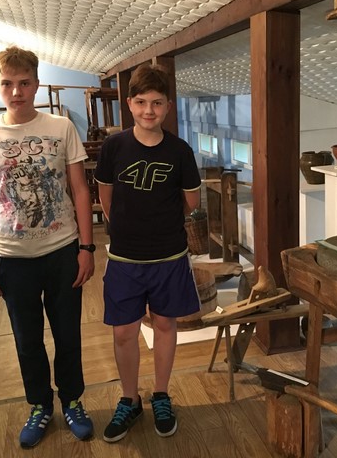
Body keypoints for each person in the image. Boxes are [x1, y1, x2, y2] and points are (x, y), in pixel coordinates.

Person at [0, 45, 96, 448]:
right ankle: (39, 404)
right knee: (26, 339)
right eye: (7, 83)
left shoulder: (61, 128)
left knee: (67, 333)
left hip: (61, 249)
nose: (16, 91)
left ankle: (72, 400)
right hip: (13, 256)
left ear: (37, 84)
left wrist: (87, 247)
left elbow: (79, 188)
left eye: (24, 83)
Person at [94, 63, 202, 443]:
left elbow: (191, 201)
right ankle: (129, 399)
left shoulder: (180, 150)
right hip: (125, 257)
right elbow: (105, 196)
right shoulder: (114, 147)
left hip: (168, 255)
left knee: (165, 325)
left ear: (168, 106)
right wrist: (126, 226)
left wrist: (161, 224)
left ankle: (160, 394)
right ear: (129, 104)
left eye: (157, 103)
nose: (149, 110)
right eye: (141, 102)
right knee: (124, 330)